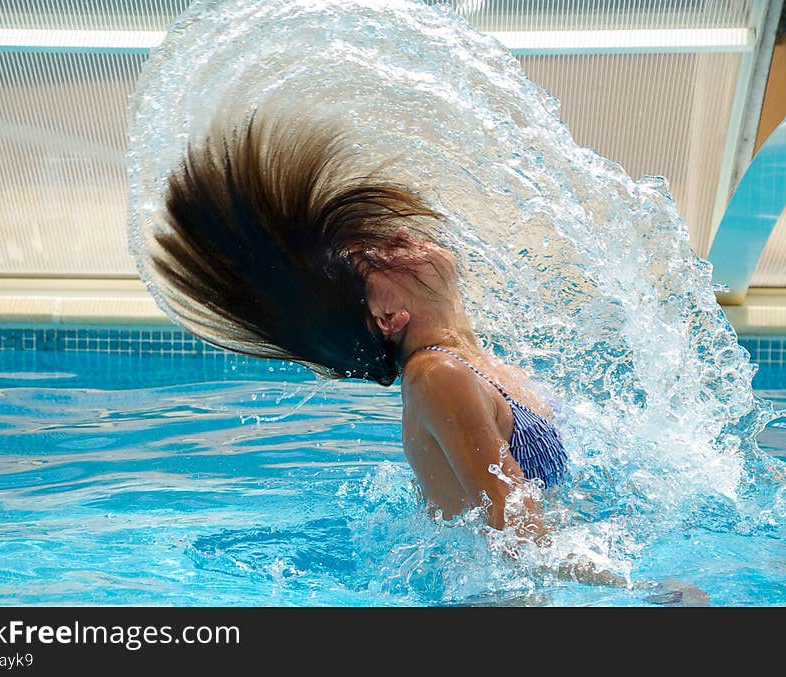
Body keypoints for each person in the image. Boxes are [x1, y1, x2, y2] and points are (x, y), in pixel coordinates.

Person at [145, 103, 626, 588]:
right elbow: (521, 540)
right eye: (381, 257)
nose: (399, 235)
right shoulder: (438, 379)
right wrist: (644, 594)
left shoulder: (471, 365)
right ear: (387, 317)